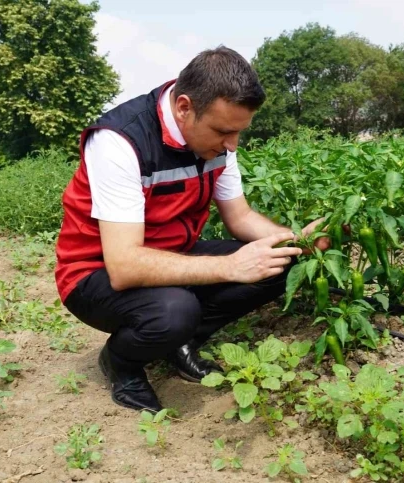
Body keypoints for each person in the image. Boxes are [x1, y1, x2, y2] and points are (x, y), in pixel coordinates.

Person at [54, 46, 328, 412]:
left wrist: (299, 241)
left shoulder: (218, 144)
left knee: (281, 260)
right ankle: (122, 363)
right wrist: (230, 267)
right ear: (184, 108)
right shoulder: (120, 141)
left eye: (238, 134)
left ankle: (180, 343)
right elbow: (123, 266)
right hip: (94, 272)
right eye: (223, 132)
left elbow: (240, 217)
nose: (231, 145)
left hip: (174, 255)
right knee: (174, 311)